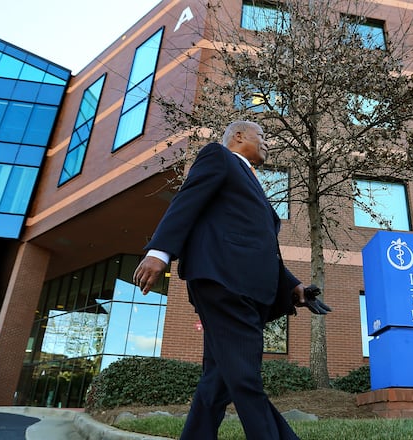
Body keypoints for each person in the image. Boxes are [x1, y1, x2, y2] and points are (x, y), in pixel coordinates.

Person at [133, 120, 310, 439]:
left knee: (218, 380)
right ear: (239, 136)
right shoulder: (218, 156)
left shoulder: (252, 182)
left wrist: (291, 284)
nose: (267, 142)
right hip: (224, 282)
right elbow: (187, 200)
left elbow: (256, 244)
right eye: (262, 136)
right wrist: (159, 252)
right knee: (244, 378)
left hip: (244, 285)